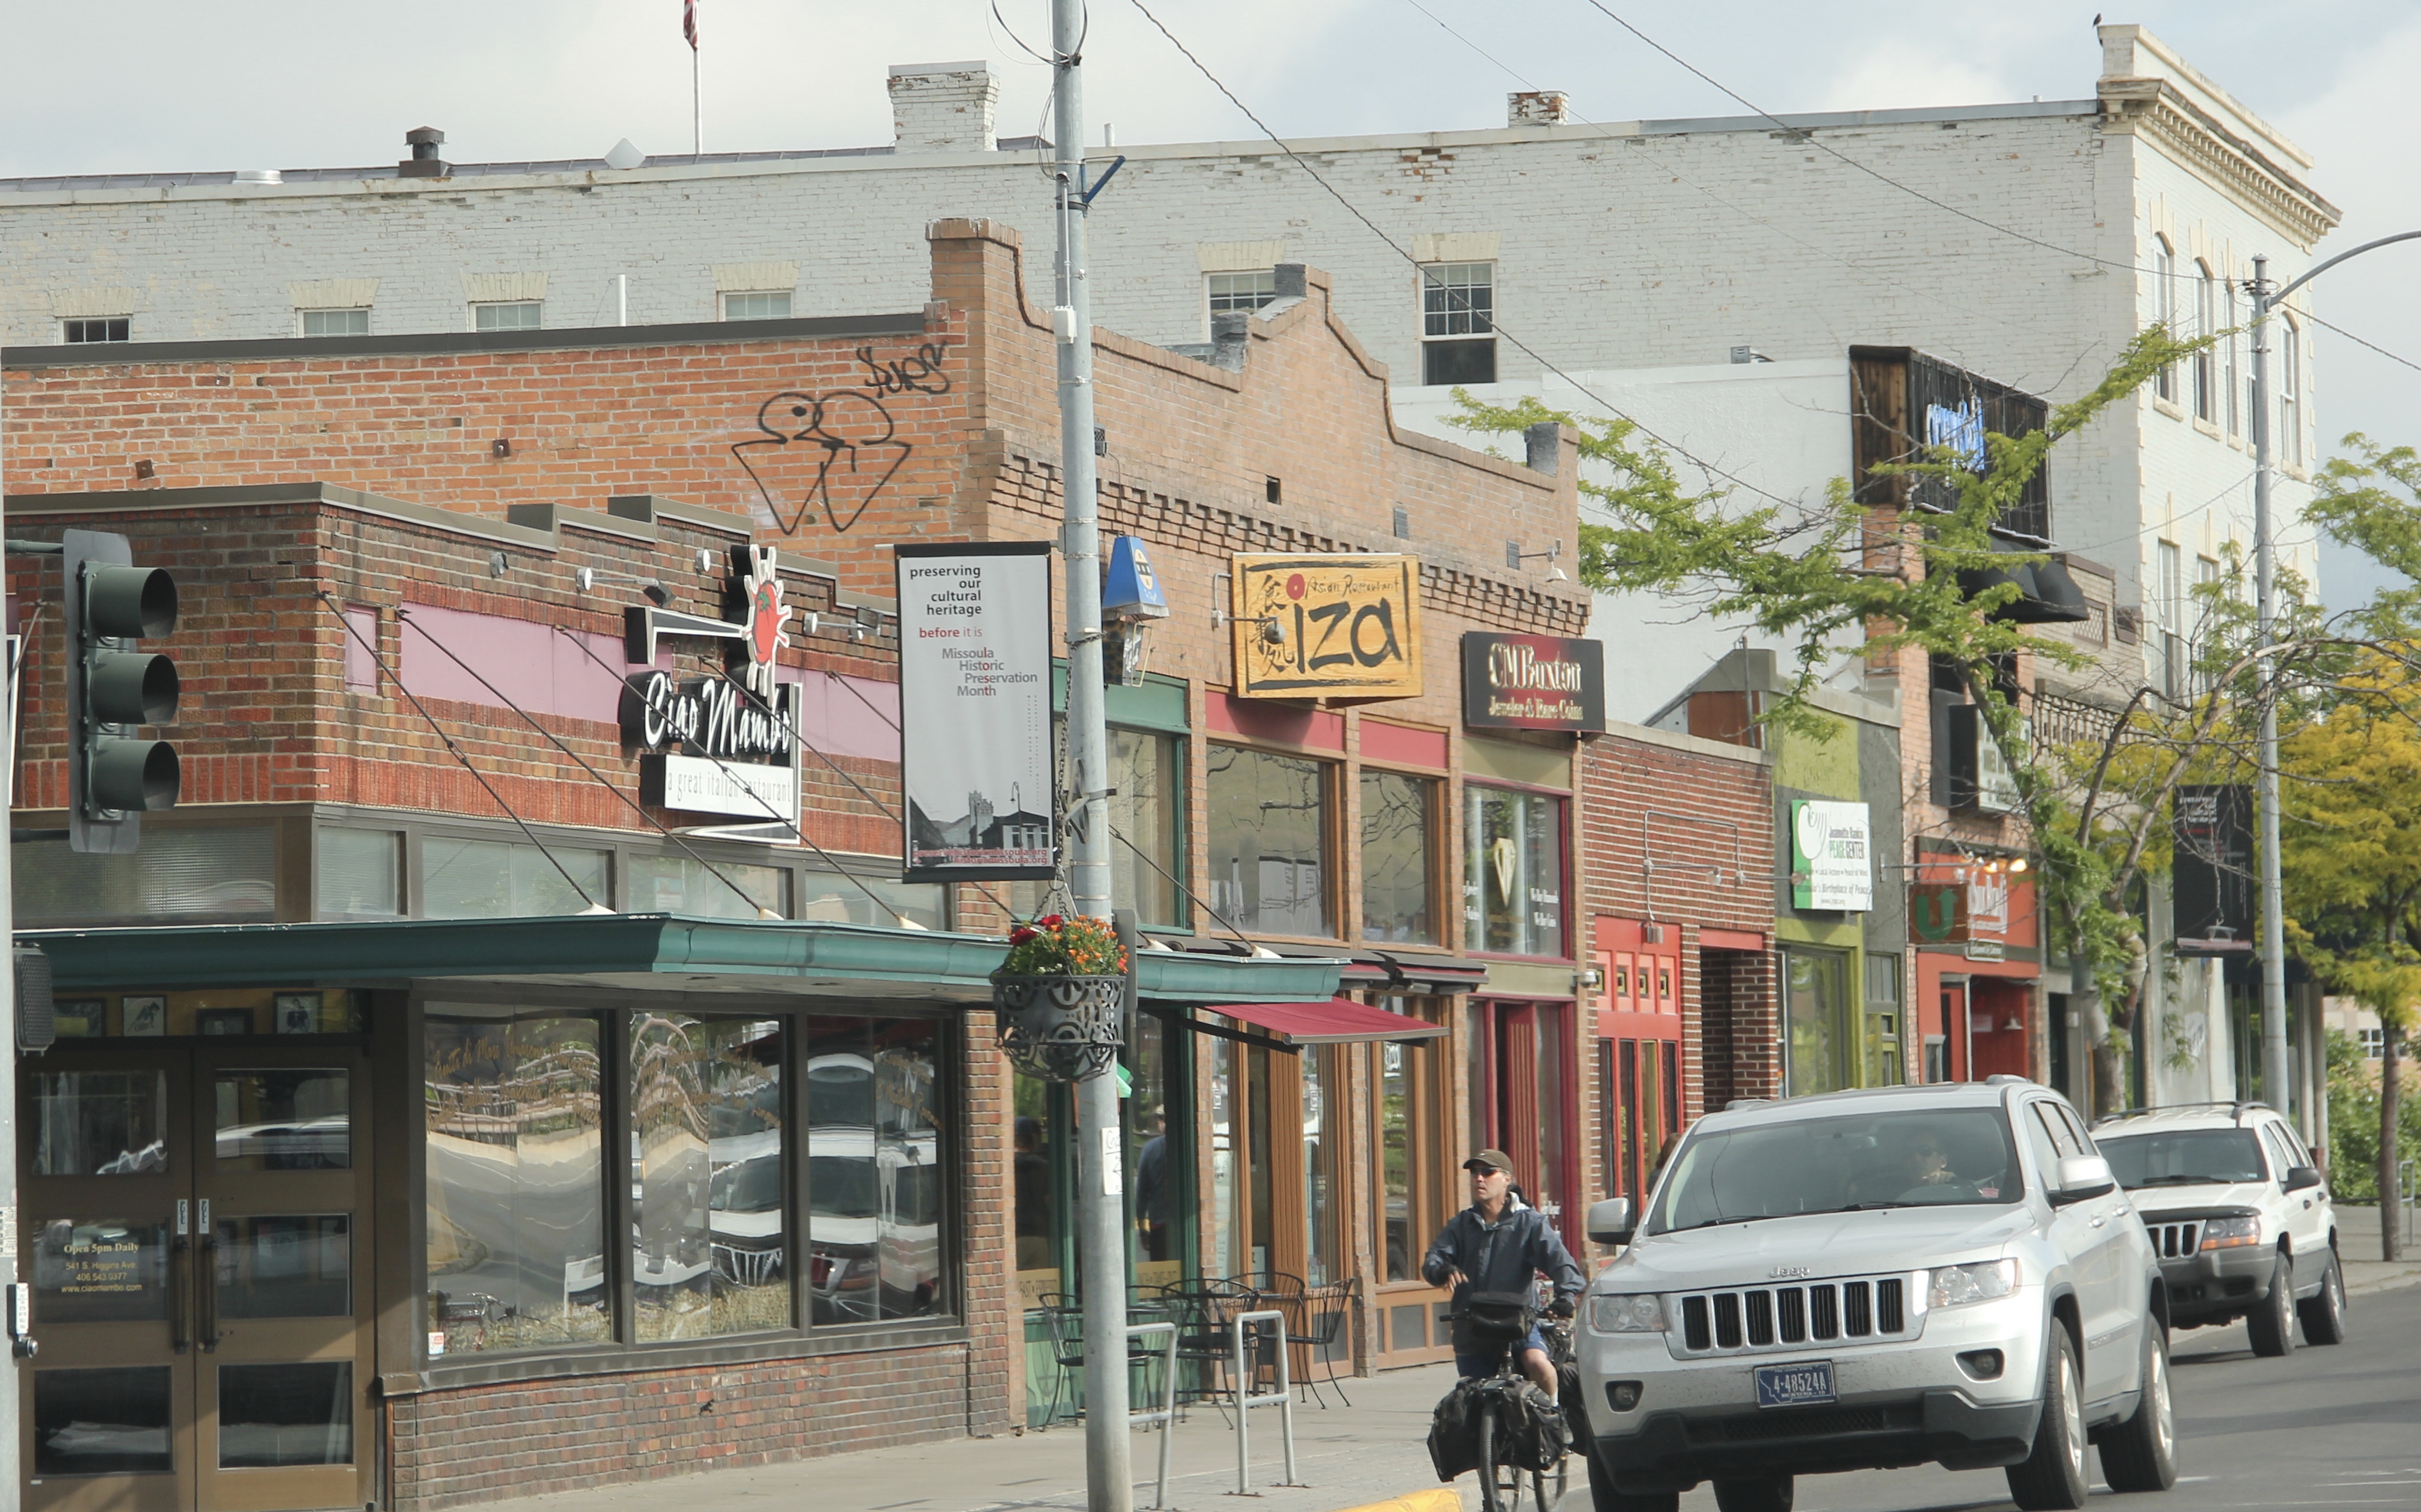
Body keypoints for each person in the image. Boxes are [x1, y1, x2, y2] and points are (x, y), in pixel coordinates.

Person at [1422, 1149, 1584, 1395]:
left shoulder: (1530, 1223)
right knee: (1471, 1395)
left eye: (1488, 1172)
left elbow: (1561, 1263)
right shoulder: (1462, 1224)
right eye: (1475, 1173)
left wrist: (1566, 1298)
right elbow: (1434, 1258)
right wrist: (1442, 1270)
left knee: (1538, 1364)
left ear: (1507, 1179)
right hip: (1474, 1328)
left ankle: (1553, 1411)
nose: (1479, 1178)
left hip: (1519, 1324)